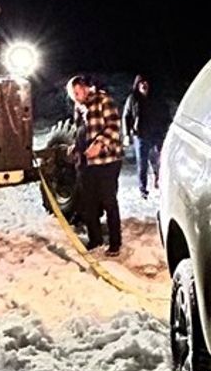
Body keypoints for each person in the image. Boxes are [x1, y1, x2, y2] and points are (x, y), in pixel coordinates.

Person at [66, 75, 124, 256]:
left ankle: (115, 242)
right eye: (73, 94)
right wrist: (76, 146)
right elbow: (81, 131)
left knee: (108, 200)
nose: (75, 97)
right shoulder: (79, 107)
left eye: (77, 92)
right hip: (86, 162)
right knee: (88, 202)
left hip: (107, 160)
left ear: (85, 88)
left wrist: (99, 144)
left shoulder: (103, 100)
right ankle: (95, 238)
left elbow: (114, 126)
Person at [122, 74, 168, 198]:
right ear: (137, 85)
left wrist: (164, 129)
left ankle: (158, 180)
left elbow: (164, 113)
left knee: (157, 161)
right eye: (141, 83)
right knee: (142, 164)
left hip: (156, 135)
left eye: (145, 82)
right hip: (140, 135)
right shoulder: (133, 99)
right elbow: (126, 116)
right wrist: (126, 134)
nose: (143, 85)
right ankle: (143, 189)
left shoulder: (156, 98)